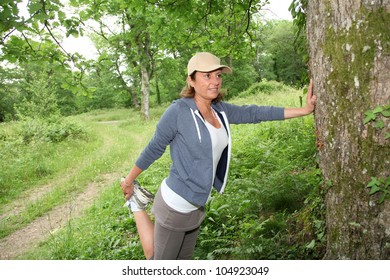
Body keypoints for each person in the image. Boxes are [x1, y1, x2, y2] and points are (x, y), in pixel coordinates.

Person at [120, 52, 316, 260]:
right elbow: (154, 148)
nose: (215, 81)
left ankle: (137, 204)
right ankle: (136, 204)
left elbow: (255, 113)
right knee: (158, 264)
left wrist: (304, 110)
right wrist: (129, 181)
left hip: (197, 207)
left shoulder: (219, 110)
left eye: (218, 75)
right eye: (207, 76)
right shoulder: (178, 112)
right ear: (191, 80)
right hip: (174, 205)